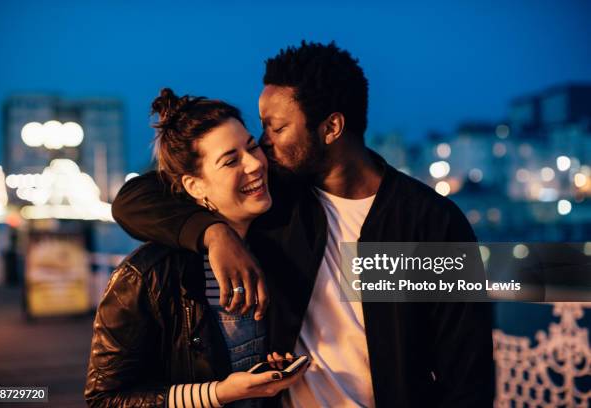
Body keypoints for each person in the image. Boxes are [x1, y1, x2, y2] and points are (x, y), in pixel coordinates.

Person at [112, 42, 495, 407]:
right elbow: (134, 200)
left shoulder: (431, 222)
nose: (262, 145)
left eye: (276, 129)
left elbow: (467, 372)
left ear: (331, 128)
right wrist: (214, 234)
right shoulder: (276, 198)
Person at [84, 89, 307, 408]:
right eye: (231, 160)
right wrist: (218, 393)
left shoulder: (270, 245)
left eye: (252, 147)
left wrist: (268, 366)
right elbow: (105, 399)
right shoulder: (147, 275)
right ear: (194, 186)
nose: (255, 164)